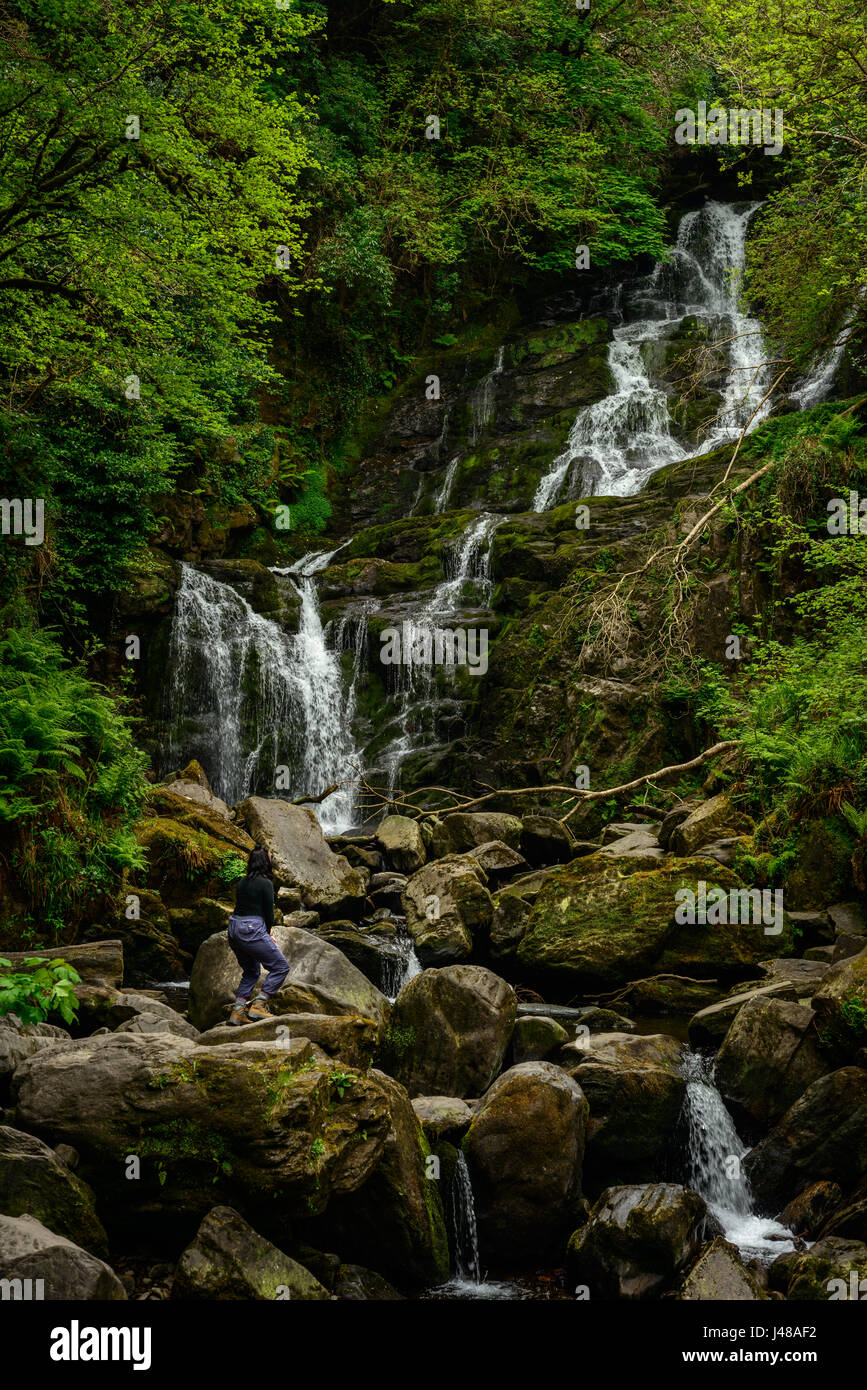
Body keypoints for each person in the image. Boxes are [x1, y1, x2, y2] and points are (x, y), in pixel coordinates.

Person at [225, 844, 290, 1024]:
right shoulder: (266, 883)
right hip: (251, 929)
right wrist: (268, 932)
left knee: (252, 971)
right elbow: (269, 913)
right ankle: (259, 1005)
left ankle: (237, 1011)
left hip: (234, 928)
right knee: (281, 967)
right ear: (265, 861)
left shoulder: (243, 882)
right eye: (269, 856)